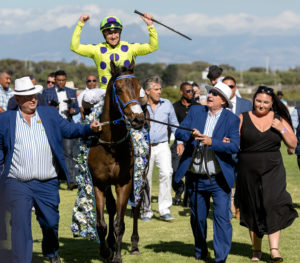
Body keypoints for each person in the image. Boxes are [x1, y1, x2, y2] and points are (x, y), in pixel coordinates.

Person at [0, 76, 101, 263]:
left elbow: (69, 130)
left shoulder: (49, 114)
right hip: (17, 183)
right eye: (28, 96)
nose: (33, 99)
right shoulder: (5, 119)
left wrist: (89, 128)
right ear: (19, 99)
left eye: (34, 95)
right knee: (20, 227)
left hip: (47, 182)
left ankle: (51, 251)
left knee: (51, 223)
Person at [174, 82, 240, 262]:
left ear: (224, 101)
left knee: (221, 220)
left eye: (216, 94)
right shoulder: (196, 111)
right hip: (195, 178)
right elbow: (179, 132)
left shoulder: (232, 119)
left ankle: (220, 258)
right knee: (198, 219)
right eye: (211, 92)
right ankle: (200, 250)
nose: (210, 96)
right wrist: (190, 135)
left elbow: (235, 146)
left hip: (219, 180)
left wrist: (214, 142)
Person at [236, 85, 298, 262]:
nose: (261, 105)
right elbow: (234, 141)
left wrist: (282, 128)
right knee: (253, 207)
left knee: (273, 205)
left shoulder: (279, 119)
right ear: (253, 100)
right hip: (248, 170)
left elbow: (293, 144)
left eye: (265, 102)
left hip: (273, 170)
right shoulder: (243, 118)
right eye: (258, 101)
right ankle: (256, 251)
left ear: (272, 104)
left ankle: (274, 250)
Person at [70, 13, 158, 90]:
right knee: (87, 99)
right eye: (109, 33)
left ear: (120, 33)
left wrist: (150, 26)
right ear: (104, 34)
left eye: (116, 32)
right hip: (105, 92)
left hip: (128, 91)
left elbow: (153, 47)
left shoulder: (131, 48)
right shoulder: (96, 49)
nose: (113, 36)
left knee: (143, 99)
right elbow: (75, 47)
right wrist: (80, 24)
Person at [140, 76, 182, 222]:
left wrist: (180, 141)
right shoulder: (140, 106)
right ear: (147, 91)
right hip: (146, 147)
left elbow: (175, 124)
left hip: (163, 145)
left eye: (160, 89)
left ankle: (164, 209)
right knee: (146, 178)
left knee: (166, 173)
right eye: (156, 89)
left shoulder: (167, 104)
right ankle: (146, 210)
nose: (159, 92)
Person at [42, 70, 80, 190]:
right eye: (59, 80)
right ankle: (55, 181)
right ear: (55, 80)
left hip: (67, 124)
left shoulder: (71, 91)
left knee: (68, 153)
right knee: (53, 153)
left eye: (63, 80)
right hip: (53, 126)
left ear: (65, 80)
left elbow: (77, 108)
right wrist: (52, 108)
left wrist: (73, 111)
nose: (61, 82)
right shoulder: (47, 92)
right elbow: (42, 108)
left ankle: (71, 181)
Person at [222, 76, 252, 219]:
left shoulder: (246, 105)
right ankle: (227, 211)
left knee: (241, 182)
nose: (229, 89)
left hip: (242, 151)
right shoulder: (217, 104)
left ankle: (239, 208)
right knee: (224, 182)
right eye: (225, 86)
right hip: (222, 150)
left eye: (231, 86)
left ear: (236, 88)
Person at [172, 81, 196, 206]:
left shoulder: (198, 107)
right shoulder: (174, 107)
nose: (191, 93)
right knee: (175, 170)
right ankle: (179, 189)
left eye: (192, 91)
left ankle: (188, 198)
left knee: (191, 173)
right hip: (178, 143)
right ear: (181, 92)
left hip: (193, 144)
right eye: (188, 91)